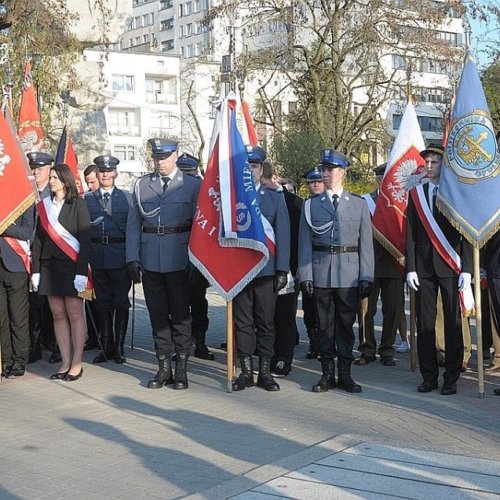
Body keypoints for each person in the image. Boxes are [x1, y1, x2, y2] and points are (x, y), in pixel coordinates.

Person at [298, 148, 374, 393]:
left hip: (349, 274)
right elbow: (304, 244)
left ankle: (346, 375)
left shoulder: (359, 204)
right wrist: (306, 275)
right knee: (324, 326)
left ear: (342, 172)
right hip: (320, 273)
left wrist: (367, 276)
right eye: (323, 170)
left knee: (345, 325)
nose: (325, 174)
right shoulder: (311, 205)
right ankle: (326, 374)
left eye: (330, 170)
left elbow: (366, 245)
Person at [126, 138, 200, 390]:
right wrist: (132, 257)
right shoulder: (142, 185)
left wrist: (196, 259)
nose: (159, 162)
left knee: (181, 316)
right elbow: (134, 223)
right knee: (158, 315)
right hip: (150, 259)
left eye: (164, 157)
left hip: (180, 258)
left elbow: (201, 226)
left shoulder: (192, 185)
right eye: (156, 157)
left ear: (176, 156)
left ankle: (181, 369)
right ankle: (163, 368)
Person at [406, 144, 472, 395]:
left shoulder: (455, 194)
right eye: (427, 162)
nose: (430, 166)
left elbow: (466, 233)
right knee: (425, 325)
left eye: (435, 162)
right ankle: (429, 376)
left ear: (444, 164)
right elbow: (410, 232)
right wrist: (410, 268)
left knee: (453, 325)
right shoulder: (417, 194)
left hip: (450, 265)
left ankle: (452, 376)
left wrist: (466, 268)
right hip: (423, 268)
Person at [231, 145, 290, 392]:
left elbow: (283, 235)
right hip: (239, 272)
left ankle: (264, 372)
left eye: (254, 166)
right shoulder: (231, 199)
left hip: (266, 270)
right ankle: (245, 371)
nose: (250, 170)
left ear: (261, 169)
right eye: (245, 166)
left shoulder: (274, 197)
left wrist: (282, 269)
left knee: (265, 322)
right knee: (242, 322)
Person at [31, 164, 91, 381]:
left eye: (55, 177)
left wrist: (82, 272)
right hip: (49, 266)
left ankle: (77, 363)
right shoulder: (44, 205)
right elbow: (38, 241)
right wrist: (35, 271)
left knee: (75, 313)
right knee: (57, 314)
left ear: (65, 180)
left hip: (71, 266)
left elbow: (85, 240)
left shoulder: (78, 204)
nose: (52, 181)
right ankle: (64, 362)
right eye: (51, 177)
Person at [356, 163, 405, 367]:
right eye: (379, 177)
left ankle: (387, 350)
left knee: (393, 310)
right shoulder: (364, 202)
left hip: (394, 264)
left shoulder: (401, 203)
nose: (382, 181)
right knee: (366, 310)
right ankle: (367, 349)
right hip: (369, 264)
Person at [84, 155, 132, 365]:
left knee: (120, 303)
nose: (105, 174)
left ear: (115, 174)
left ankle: (119, 348)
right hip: (97, 256)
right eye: (101, 171)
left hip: (120, 255)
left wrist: (133, 258)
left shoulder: (127, 198)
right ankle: (106, 347)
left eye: (109, 170)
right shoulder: (87, 199)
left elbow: (133, 230)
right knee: (102, 303)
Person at [176, 152, 214, 361]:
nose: (187, 177)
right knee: (179, 304)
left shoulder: (204, 191)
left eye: (189, 172)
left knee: (199, 302)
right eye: (183, 173)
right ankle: (182, 343)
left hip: (199, 257)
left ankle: (200, 342)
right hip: (177, 256)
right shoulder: (173, 189)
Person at [26, 151, 61, 366]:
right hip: (26, 253)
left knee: (53, 303)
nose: (35, 172)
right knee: (34, 304)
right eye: (33, 168)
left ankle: (56, 344)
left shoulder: (55, 193)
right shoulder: (26, 193)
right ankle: (36, 344)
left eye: (40, 168)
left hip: (51, 256)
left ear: (50, 170)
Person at [0, 203, 35, 377]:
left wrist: (4, 225)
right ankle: (4, 360)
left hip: (15, 265)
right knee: (1, 318)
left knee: (18, 317)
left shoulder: (24, 200)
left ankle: (19, 360)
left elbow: (27, 231)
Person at [301, 166, 324, 359]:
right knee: (309, 308)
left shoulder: (333, 204)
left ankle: (327, 343)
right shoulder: (305, 205)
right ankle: (314, 342)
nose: (315, 185)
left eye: (318, 181)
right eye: (311, 182)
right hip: (309, 265)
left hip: (327, 264)